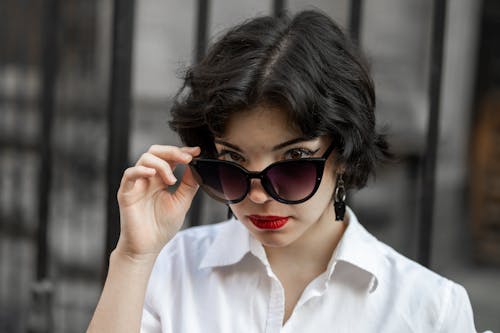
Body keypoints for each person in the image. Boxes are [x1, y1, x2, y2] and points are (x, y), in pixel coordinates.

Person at [88, 10, 482, 332]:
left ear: (343, 152)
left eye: (293, 162)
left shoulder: (431, 309)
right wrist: (134, 257)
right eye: (234, 163)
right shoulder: (171, 267)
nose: (258, 195)